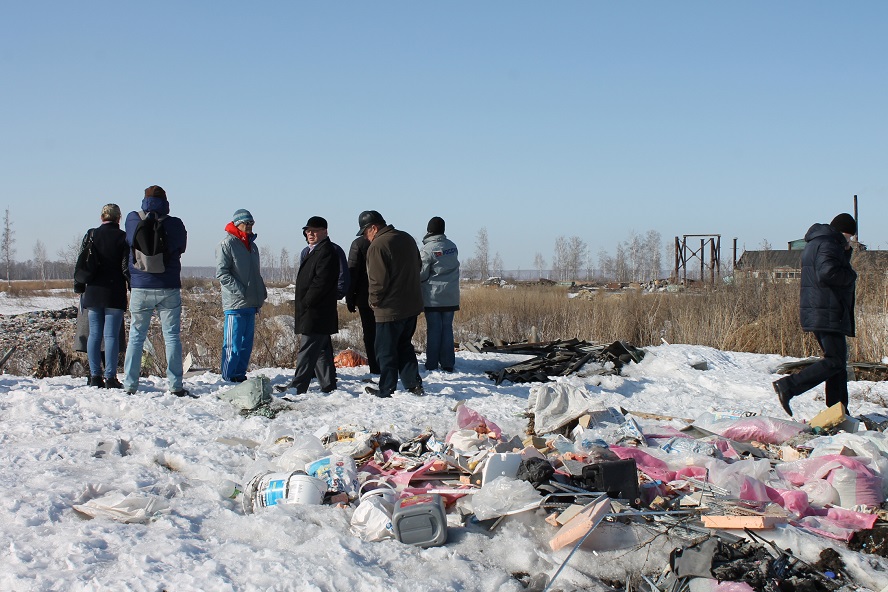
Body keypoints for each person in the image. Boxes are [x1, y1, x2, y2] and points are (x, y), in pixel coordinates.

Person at [773, 213, 858, 417]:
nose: (849, 241)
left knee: (837, 362)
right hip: (827, 309)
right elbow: (829, 272)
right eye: (849, 237)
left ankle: (838, 412)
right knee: (835, 361)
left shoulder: (817, 242)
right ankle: (789, 386)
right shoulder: (829, 244)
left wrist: (845, 253)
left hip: (821, 309)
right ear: (843, 232)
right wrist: (851, 275)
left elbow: (828, 267)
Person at [122, 185, 189, 397]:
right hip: (168, 285)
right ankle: (175, 384)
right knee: (171, 336)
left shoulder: (133, 219)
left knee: (136, 336)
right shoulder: (175, 224)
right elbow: (181, 247)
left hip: (141, 286)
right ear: (166, 201)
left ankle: (130, 384)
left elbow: (129, 242)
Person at [356, 210, 424, 398]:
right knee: (404, 346)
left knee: (385, 350)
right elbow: (419, 266)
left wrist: (373, 302)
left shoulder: (378, 246)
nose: (366, 238)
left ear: (373, 228)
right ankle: (413, 385)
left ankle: (386, 388)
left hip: (389, 309)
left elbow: (377, 281)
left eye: (365, 233)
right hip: (411, 305)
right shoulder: (407, 238)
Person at [276, 216, 341, 394]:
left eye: (315, 230)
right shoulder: (315, 250)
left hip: (317, 310)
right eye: (308, 230)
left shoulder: (326, 251)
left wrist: (307, 301)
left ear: (325, 232)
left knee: (307, 349)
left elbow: (321, 281)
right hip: (314, 310)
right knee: (320, 350)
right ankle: (328, 384)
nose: (310, 234)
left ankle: (298, 386)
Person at [78, 204, 129, 389]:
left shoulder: (92, 234)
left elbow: (82, 261)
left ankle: (94, 376)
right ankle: (110, 377)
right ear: (118, 218)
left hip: (93, 290)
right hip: (114, 291)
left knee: (94, 334)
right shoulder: (123, 237)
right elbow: (126, 266)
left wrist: (80, 285)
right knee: (111, 336)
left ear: (101, 218)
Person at [215, 209, 267, 382]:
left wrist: (260, 291)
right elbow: (222, 273)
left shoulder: (252, 246)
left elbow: (254, 273)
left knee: (246, 345)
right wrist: (240, 290)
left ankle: (239, 375)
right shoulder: (227, 244)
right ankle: (228, 377)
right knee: (233, 344)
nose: (250, 226)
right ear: (237, 224)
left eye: (252, 223)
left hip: (251, 303)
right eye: (247, 223)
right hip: (235, 303)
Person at [419, 216, 460, 372]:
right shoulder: (452, 246)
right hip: (451, 296)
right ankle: (448, 363)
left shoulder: (427, 250)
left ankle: (432, 363)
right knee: (447, 328)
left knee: (434, 329)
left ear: (429, 230)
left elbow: (422, 274)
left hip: (433, 297)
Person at [345, 235, 379, 374]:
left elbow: (352, 272)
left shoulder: (358, 244)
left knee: (370, 333)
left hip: (365, 297)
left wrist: (350, 298)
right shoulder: (389, 241)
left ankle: (375, 366)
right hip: (389, 297)